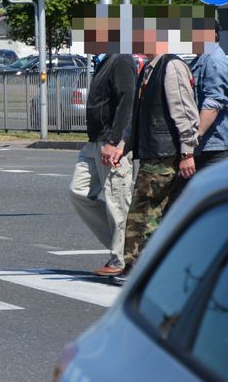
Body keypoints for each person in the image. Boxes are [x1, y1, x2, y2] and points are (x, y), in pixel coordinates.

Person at [121, 37, 200, 277]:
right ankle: (145, 269)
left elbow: (184, 111)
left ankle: (140, 269)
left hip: (165, 153)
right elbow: (138, 116)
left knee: (144, 211)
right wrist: (124, 146)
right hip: (153, 151)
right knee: (150, 211)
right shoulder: (149, 67)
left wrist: (187, 151)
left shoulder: (171, 66)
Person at [69, 53, 137, 277]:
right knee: (78, 191)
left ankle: (122, 259)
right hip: (95, 141)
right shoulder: (105, 60)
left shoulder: (121, 59)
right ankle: (125, 245)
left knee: (117, 201)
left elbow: (127, 100)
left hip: (110, 142)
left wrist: (114, 140)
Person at [193, 25, 228, 170]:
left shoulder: (214, 60)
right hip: (206, 145)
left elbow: (214, 102)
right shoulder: (201, 59)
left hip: (213, 147)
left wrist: (195, 135)